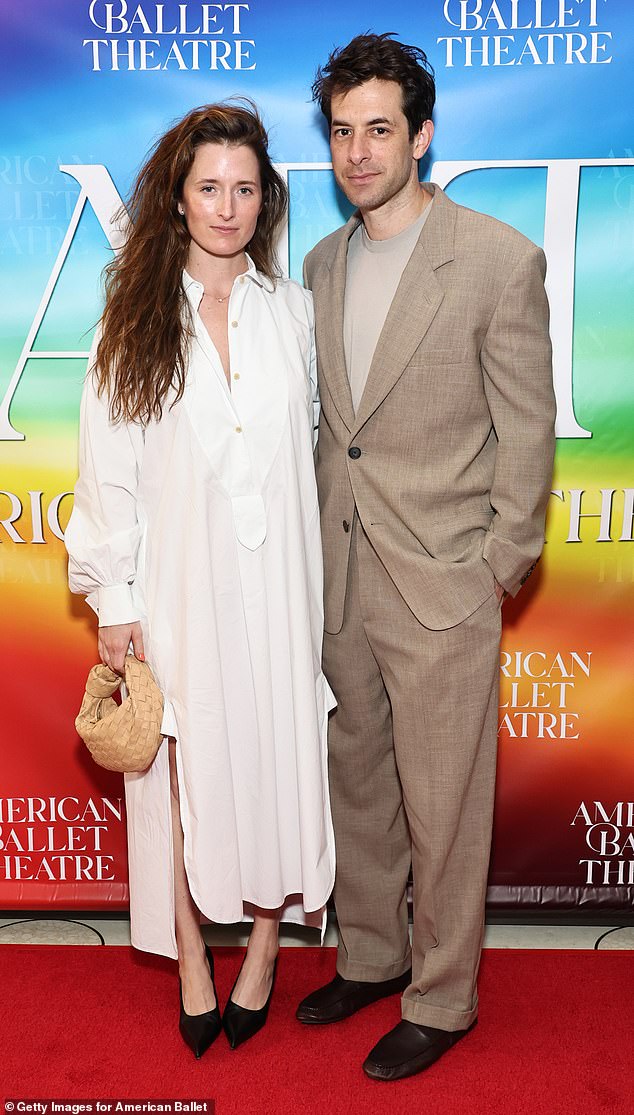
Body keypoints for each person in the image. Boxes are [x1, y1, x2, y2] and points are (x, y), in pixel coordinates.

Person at [295, 34, 556, 1081]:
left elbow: (527, 430)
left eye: (379, 129)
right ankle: (371, 950)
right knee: (355, 779)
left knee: (444, 799)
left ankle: (442, 994)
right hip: (340, 569)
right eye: (343, 133)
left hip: (444, 576)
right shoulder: (318, 263)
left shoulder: (496, 258)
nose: (359, 152)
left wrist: (500, 559)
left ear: (423, 134)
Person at [65, 102, 335, 1058]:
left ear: (267, 202)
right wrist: (115, 600)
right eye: (210, 187)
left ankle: (262, 946)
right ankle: (190, 954)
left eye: (246, 188)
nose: (229, 206)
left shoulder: (293, 313)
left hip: (281, 593)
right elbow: (109, 474)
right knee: (178, 777)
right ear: (178, 202)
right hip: (178, 592)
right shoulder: (133, 323)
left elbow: (312, 450)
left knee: (271, 765)